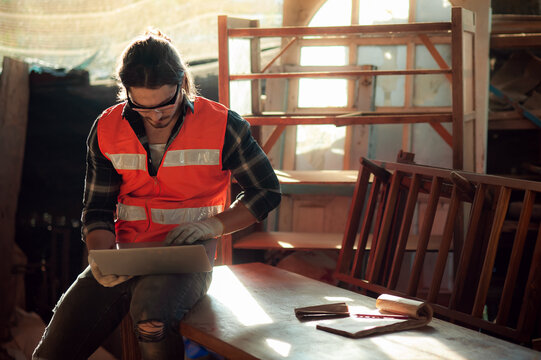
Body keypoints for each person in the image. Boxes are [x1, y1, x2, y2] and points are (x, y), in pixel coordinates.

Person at [33, 28, 281, 359]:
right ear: (126, 93)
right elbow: (97, 210)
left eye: (166, 103)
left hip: (188, 262)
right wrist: (102, 258)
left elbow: (266, 191)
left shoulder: (223, 125)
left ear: (182, 84)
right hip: (126, 257)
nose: (157, 115)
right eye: (142, 107)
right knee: (50, 352)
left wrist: (213, 226)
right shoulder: (107, 129)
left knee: (150, 317)